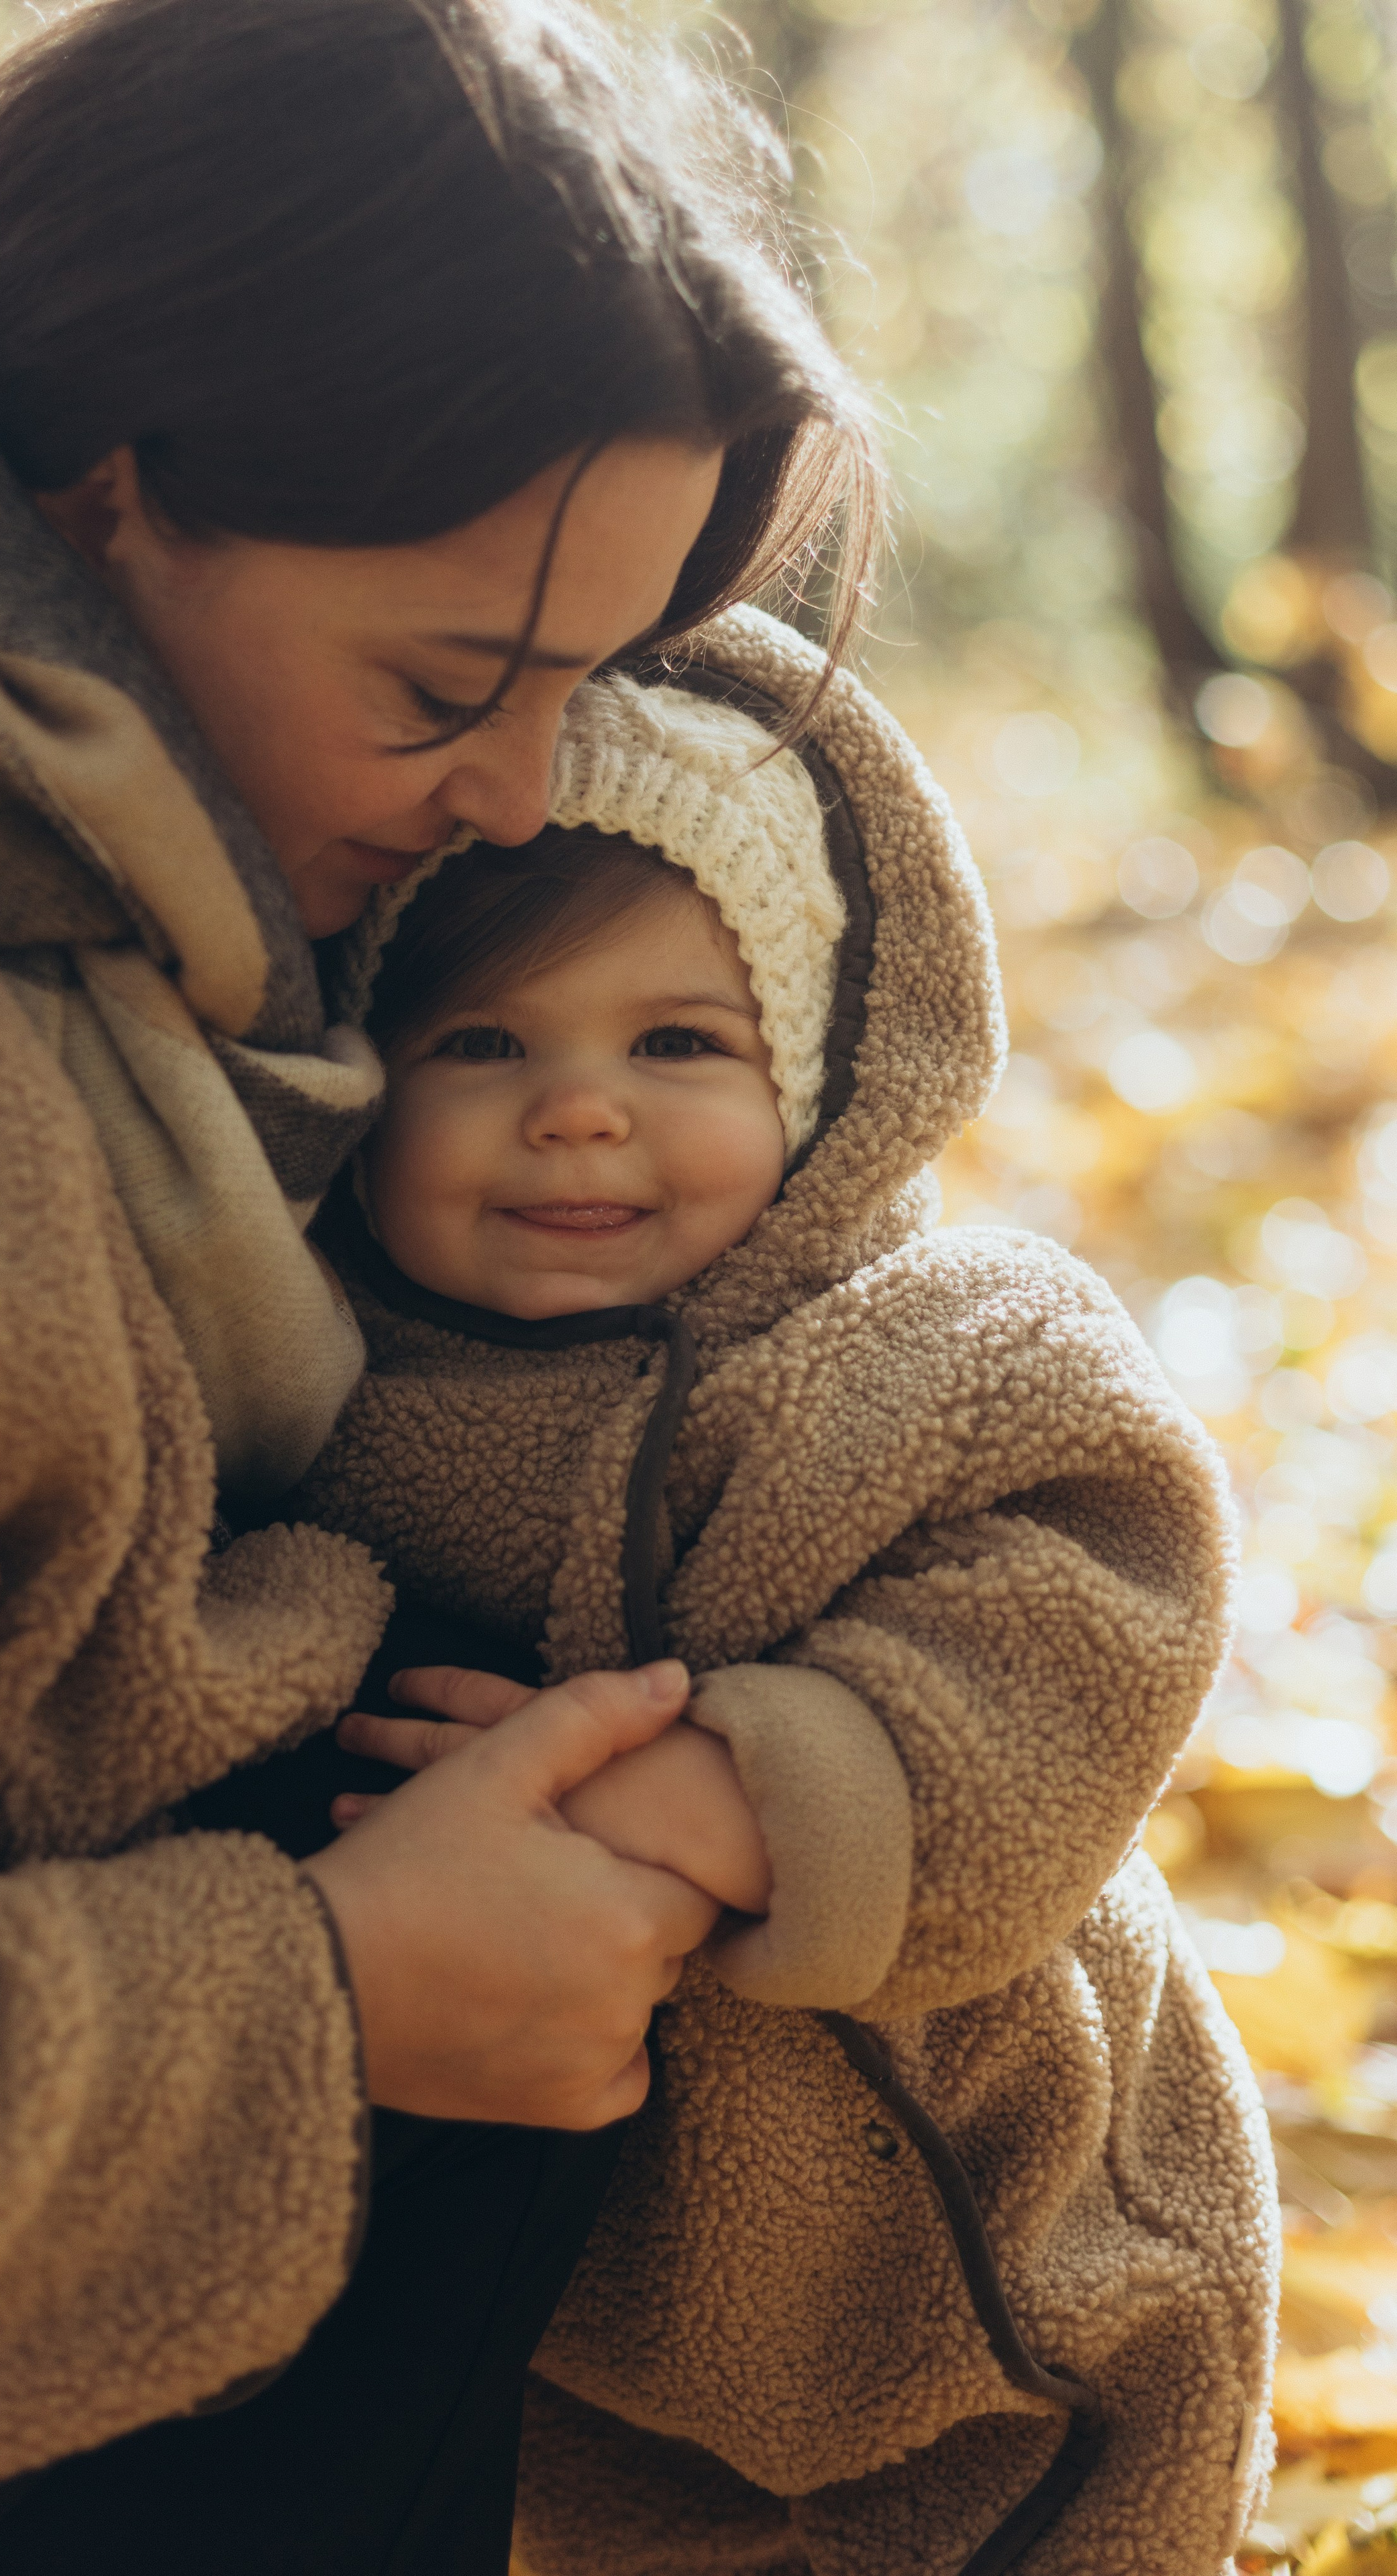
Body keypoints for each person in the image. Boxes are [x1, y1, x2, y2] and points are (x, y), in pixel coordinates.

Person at [0, 0, 884, 2568]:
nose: (527, 795)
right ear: (105, 505)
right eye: (452, 685)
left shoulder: (87, 904)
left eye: (592, 688)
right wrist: (337, 2000)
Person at [282, 645, 1283, 2575]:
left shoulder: (923, 1349)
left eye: (676, 1046)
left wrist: (721, 1797)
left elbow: (1093, 1600)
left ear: (816, 1077)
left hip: (1007, 2257)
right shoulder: (321, 1407)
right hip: (594, 2307)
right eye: (483, 1045)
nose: (581, 1113)